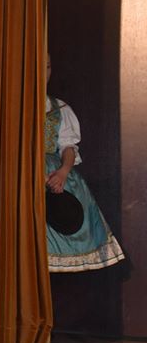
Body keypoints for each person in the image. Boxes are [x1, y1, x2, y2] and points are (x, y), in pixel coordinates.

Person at [44, 58, 125, 271]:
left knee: (68, 213)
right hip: (26, 173)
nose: (44, 73)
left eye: (48, 66)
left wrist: (63, 172)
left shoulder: (59, 108)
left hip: (55, 171)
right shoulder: (14, 108)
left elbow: (67, 147)